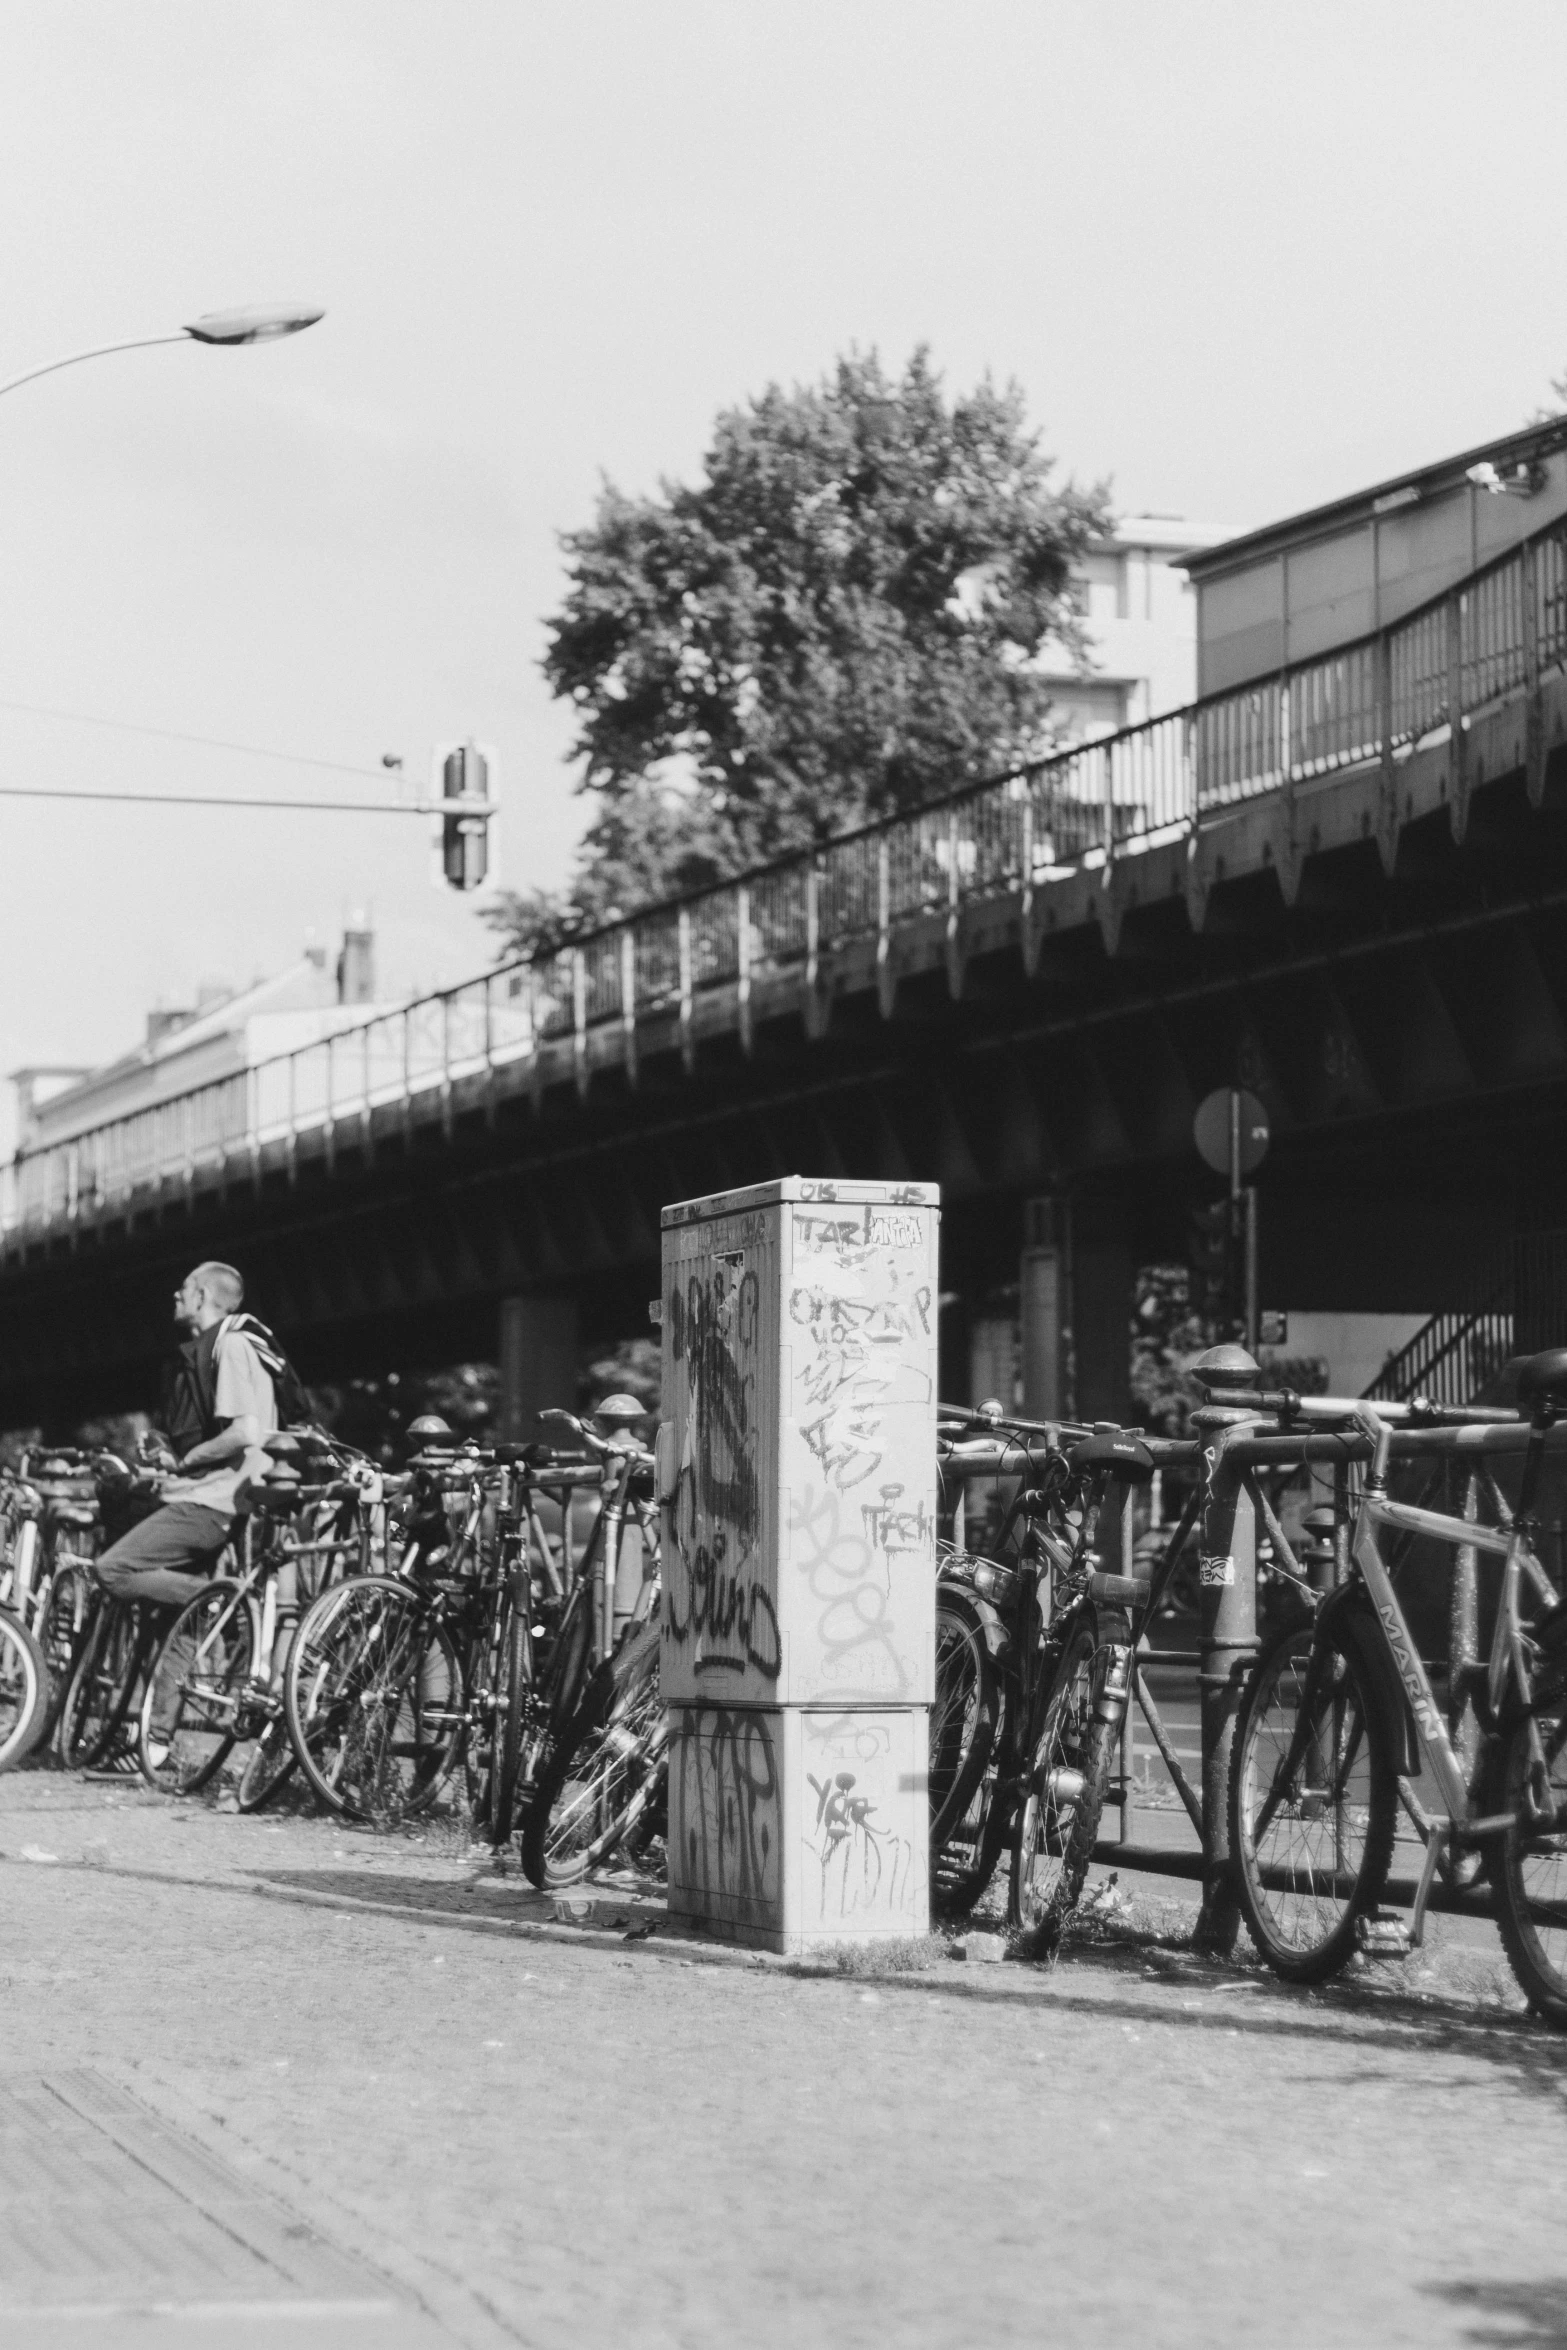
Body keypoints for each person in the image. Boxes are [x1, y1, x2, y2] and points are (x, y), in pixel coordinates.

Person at [95, 1261, 280, 1612]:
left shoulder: (232, 1345)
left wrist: (185, 1461)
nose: (176, 1294)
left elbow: (245, 1432)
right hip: (205, 1497)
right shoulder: (211, 1350)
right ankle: (196, 1628)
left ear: (202, 1295)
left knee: (112, 1569)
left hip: (209, 1504)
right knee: (170, 1625)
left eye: (184, 1287)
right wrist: (171, 1456)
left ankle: (226, 1602)